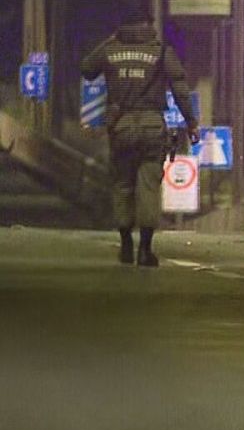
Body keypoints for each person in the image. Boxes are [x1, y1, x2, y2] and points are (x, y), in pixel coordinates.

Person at [80, 13, 199, 267]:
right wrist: (191, 123)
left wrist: (109, 41)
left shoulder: (111, 49)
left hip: (121, 127)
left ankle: (125, 245)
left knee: (123, 184)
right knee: (148, 186)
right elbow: (179, 87)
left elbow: (87, 69)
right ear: (148, 25)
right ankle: (145, 249)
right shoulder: (160, 52)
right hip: (151, 126)